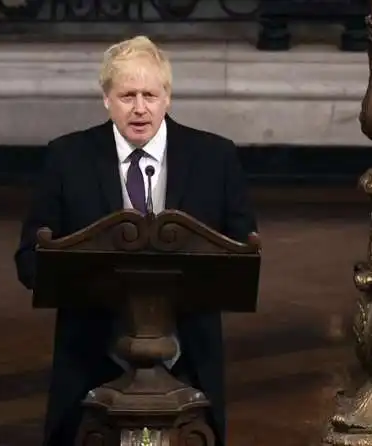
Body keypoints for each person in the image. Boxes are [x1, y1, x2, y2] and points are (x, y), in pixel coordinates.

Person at [14, 35, 257, 446]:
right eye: (127, 95)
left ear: (168, 97)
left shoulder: (215, 157)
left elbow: (241, 249)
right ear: (106, 98)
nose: (140, 108)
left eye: (150, 94)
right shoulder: (67, 158)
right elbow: (28, 259)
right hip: (92, 355)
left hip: (188, 356)